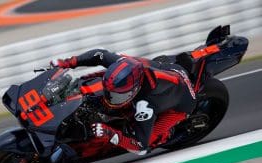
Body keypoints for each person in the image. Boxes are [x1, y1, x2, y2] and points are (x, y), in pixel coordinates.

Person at [50, 49, 197, 155]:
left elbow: (140, 147)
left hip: (182, 104)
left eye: (116, 96)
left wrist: (110, 133)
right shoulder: (123, 63)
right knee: (104, 79)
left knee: (147, 137)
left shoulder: (144, 106)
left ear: (134, 90)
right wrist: (67, 63)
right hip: (166, 68)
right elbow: (98, 54)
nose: (109, 98)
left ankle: (166, 135)